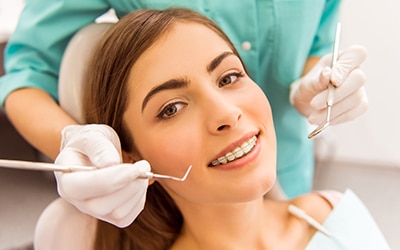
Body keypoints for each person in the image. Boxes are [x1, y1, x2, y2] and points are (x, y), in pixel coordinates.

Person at [34, 8, 386, 250]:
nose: (227, 113)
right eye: (171, 109)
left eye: (229, 77)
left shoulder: (334, 214)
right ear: (131, 157)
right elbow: (28, 66)